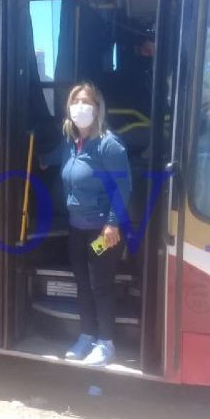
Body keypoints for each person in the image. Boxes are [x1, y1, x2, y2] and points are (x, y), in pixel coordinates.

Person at [43, 82, 132, 366]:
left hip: (102, 232)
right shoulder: (71, 143)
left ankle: (106, 343)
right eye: (75, 101)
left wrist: (113, 224)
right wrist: (38, 158)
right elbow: (52, 160)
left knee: (100, 285)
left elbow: (124, 187)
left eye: (87, 102)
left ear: (97, 109)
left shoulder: (109, 145)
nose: (80, 107)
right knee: (82, 284)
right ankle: (86, 336)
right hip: (76, 230)